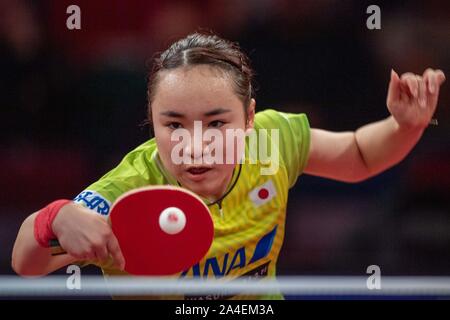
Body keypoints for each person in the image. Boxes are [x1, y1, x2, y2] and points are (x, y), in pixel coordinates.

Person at [12, 32, 445, 299]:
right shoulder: (128, 189)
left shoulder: (271, 142)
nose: (196, 145)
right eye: (174, 124)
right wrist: (58, 216)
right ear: (152, 122)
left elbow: (360, 155)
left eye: (218, 122)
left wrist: (404, 126)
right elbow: (26, 264)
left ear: (250, 118)